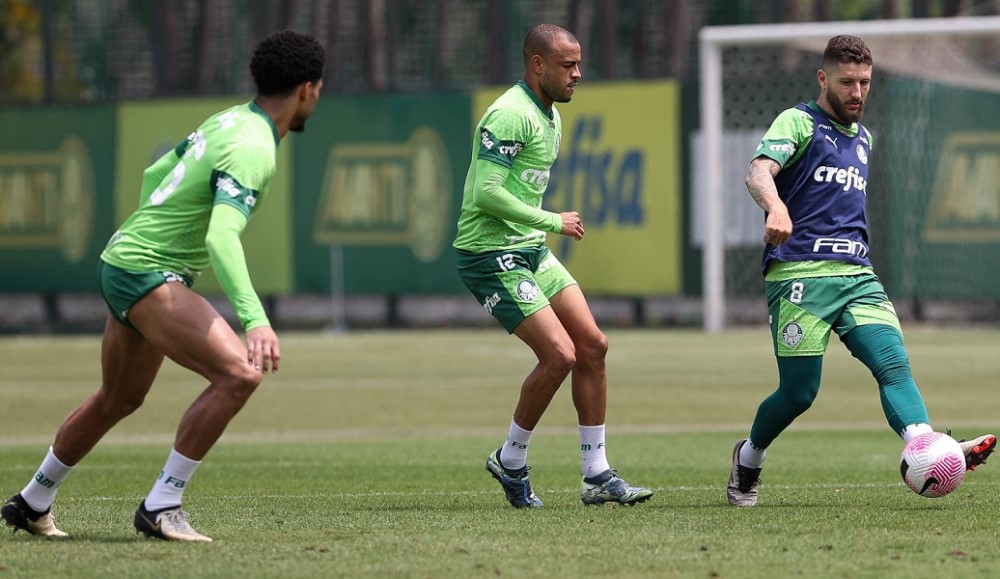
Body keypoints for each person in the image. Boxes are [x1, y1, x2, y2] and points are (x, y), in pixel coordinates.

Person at [1, 30, 325, 540]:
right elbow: (222, 235)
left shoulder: (228, 120)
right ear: (308, 89)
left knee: (119, 398)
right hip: (148, 272)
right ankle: (163, 504)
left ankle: (32, 500)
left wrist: (149, 229)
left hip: (124, 260)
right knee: (240, 375)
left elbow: (157, 173)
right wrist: (255, 318)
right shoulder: (254, 145)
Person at [728, 34, 995, 507]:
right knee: (799, 393)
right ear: (823, 78)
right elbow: (758, 171)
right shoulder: (799, 122)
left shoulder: (865, 138)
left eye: (865, 82)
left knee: (893, 364)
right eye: (847, 81)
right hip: (799, 274)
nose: (857, 92)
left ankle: (928, 447)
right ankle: (749, 459)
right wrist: (775, 207)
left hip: (857, 274)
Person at [453, 23, 651, 508]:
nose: (577, 74)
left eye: (579, 64)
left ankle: (596, 475)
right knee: (559, 355)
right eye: (567, 65)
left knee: (592, 346)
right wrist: (551, 220)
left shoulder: (550, 116)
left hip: (529, 250)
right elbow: (486, 192)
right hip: (488, 253)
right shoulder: (508, 114)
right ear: (537, 64)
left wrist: (540, 229)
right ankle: (511, 460)